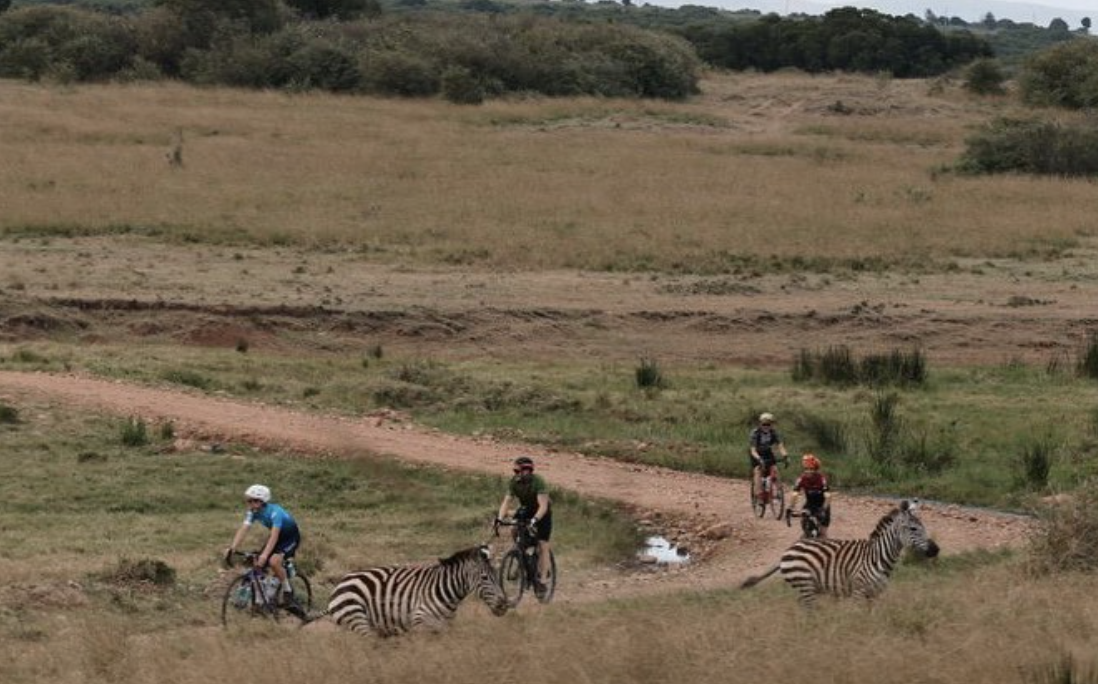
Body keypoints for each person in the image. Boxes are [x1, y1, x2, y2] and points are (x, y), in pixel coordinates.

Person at [225, 484, 304, 613]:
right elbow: (244, 529)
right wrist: (232, 548)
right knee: (257, 564)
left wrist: (265, 555)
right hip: (277, 538)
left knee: (273, 561)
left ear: (263, 501)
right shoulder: (253, 512)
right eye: (249, 501)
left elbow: (274, 535)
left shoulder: (275, 512)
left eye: (255, 501)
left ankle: (287, 591)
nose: (251, 504)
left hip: (290, 537)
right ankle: (262, 600)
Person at [496, 456, 553, 594]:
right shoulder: (514, 482)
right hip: (526, 510)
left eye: (517, 471)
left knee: (542, 545)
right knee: (514, 528)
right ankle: (521, 553)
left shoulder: (538, 482)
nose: (515, 474)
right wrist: (499, 518)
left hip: (543, 514)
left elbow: (543, 506)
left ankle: (543, 581)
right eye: (514, 471)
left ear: (527, 471)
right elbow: (506, 502)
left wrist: (534, 520)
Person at [790, 453, 831, 538]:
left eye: (811, 469)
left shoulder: (821, 479)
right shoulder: (801, 478)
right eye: (806, 469)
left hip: (822, 505)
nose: (808, 471)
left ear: (816, 469)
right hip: (810, 504)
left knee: (823, 534)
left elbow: (828, 496)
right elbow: (795, 494)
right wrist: (790, 507)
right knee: (805, 523)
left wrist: (823, 509)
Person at [749, 412, 788, 499]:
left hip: (767, 452)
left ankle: (779, 491)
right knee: (758, 470)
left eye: (768, 424)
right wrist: (759, 459)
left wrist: (785, 455)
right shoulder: (755, 433)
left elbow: (780, 445)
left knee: (775, 469)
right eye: (764, 424)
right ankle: (758, 493)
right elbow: (753, 450)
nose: (766, 426)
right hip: (756, 453)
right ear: (760, 424)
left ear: (772, 424)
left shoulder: (773, 432)